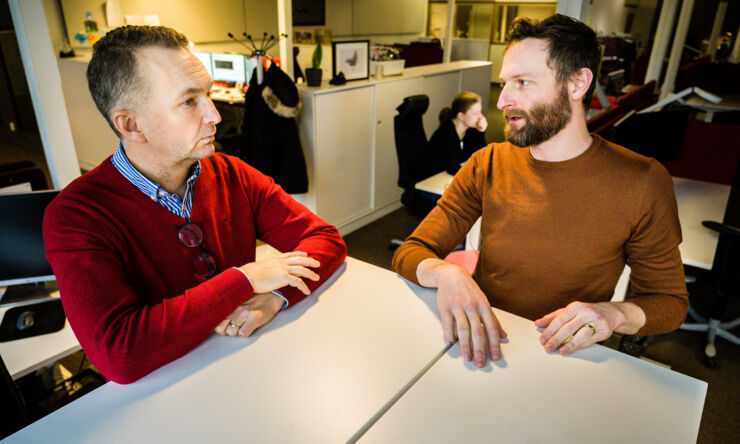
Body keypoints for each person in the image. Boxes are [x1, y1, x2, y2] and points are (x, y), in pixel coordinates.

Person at [43, 26, 346, 384]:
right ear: (131, 124)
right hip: (164, 397)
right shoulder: (76, 216)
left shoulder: (232, 172)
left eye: (208, 94)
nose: (215, 115)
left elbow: (326, 240)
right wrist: (246, 278)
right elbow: (119, 355)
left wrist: (276, 295)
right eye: (189, 102)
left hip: (248, 365)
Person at [392, 14, 688, 368]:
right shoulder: (487, 162)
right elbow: (410, 252)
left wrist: (614, 315)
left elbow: (668, 302)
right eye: (504, 83)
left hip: (566, 358)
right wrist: (447, 273)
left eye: (522, 82)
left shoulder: (642, 180)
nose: (501, 101)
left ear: (577, 84)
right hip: (486, 342)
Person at [428, 92, 488, 175]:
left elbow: (481, 158)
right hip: (431, 181)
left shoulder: (471, 130)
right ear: (461, 116)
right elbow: (453, 168)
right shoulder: (446, 134)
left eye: (480, 112)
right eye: (476, 113)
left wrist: (481, 131)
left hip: (448, 178)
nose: (481, 117)